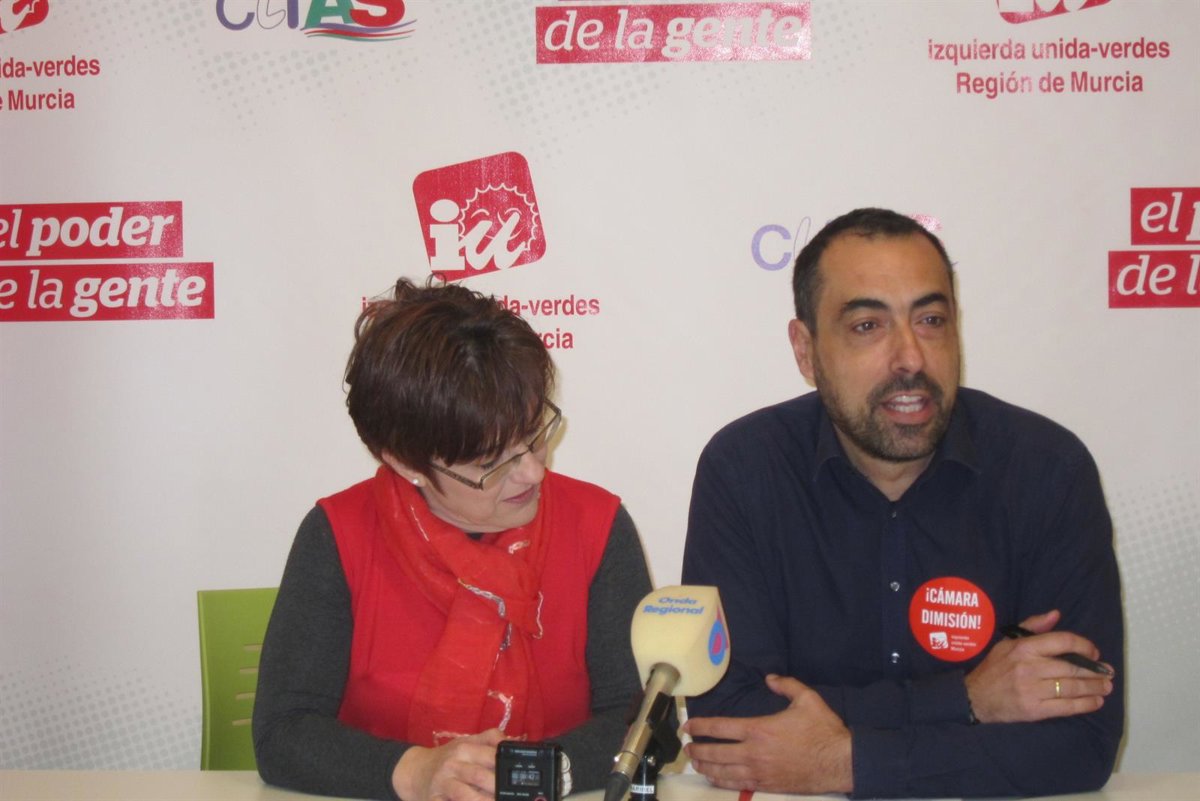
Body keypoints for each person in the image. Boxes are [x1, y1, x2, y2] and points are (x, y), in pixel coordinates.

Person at [680, 208, 1123, 798]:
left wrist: (844, 762)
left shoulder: (1047, 470)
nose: (910, 358)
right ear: (806, 351)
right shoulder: (745, 470)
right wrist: (965, 699)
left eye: (931, 320)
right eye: (868, 326)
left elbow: (1082, 743)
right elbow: (729, 724)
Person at [253, 278, 653, 801]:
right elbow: (283, 733)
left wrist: (526, 775)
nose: (533, 472)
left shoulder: (596, 526)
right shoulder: (340, 535)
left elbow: (641, 722)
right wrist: (416, 772)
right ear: (406, 464)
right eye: (491, 462)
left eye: (533, 435)